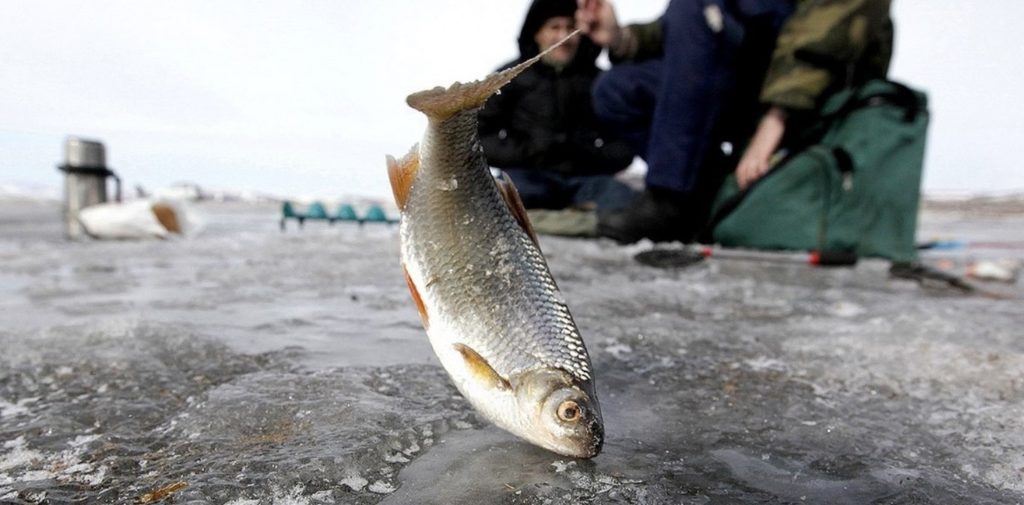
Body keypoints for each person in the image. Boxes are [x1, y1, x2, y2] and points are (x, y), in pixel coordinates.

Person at [576, 0, 893, 243]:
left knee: (696, 6)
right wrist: (621, 38)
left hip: (812, 97)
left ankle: (670, 197)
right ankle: (702, 198)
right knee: (618, 90)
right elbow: (688, 32)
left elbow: (824, 37)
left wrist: (774, 122)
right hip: (747, 85)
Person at [478, 0, 637, 214]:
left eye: (571, 27)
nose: (563, 36)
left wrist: (586, 155)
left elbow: (625, 143)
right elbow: (478, 137)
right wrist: (529, 150)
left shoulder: (600, 82)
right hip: (528, 176)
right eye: (555, 27)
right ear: (536, 33)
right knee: (501, 201)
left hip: (586, 179)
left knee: (626, 203)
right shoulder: (508, 78)